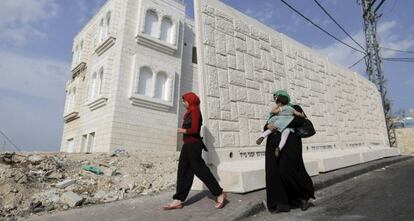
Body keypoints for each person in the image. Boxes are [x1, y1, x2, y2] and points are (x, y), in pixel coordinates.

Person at [163, 92, 227, 210]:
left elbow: (194, 129)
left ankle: (219, 193)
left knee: (201, 171)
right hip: (187, 145)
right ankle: (178, 200)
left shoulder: (195, 112)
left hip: (194, 145)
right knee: (183, 171)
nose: (183, 103)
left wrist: (182, 130)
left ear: (190, 101)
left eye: (184, 101)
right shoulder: (189, 112)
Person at [264, 90, 315, 213]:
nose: (277, 100)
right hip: (273, 143)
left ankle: (303, 198)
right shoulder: (274, 111)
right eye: (275, 99)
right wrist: (268, 126)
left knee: (288, 170)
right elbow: (267, 125)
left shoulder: (294, 107)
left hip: (290, 145)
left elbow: (300, 121)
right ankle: (281, 203)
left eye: (278, 98)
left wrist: (282, 122)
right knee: (274, 172)